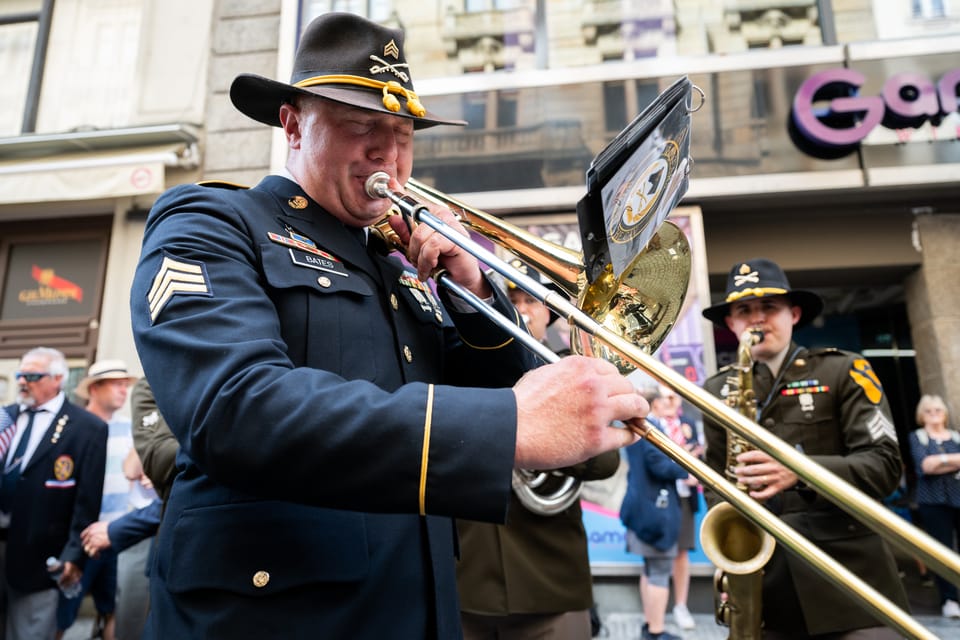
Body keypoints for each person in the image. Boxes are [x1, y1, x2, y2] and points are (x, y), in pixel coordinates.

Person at [128, 12, 644, 639]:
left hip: (420, 608)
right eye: (361, 125)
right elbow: (237, 410)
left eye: (402, 132)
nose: (387, 153)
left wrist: (474, 291)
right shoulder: (213, 221)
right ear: (293, 124)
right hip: (272, 617)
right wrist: (505, 426)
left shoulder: (396, 263)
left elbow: (500, 387)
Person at [700, 257, 909, 639]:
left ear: (794, 314)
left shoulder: (844, 370)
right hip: (765, 588)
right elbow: (714, 481)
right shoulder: (715, 391)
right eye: (743, 310)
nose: (757, 319)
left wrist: (800, 471)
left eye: (769, 307)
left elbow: (885, 466)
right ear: (731, 324)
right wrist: (730, 555)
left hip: (851, 584)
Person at [455, 261, 621, 639]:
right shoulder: (460, 363)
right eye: (510, 299)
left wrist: (547, 431)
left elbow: (606, 462)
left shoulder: (574, 371)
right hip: (467, 577)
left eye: (530, 299)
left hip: (550, 577)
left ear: (549, 310)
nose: (522, 309)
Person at [1, 347, 107, 640]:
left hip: (40, 554)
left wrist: (75, 553)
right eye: (21, 374)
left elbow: (87, 500)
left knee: (30, 632)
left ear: (59, 378)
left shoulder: (87, 427)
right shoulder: (4, 417)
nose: (23, 381)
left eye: (33, 375)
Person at [55, 360, 138, 640]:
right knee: (63, 612)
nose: (123, 391)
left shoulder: (129, 429)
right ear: (95, 388)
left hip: (115, 536)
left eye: (126, 385)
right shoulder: (72, 427)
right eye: (117, 384)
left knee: (112, 609)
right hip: (81, 538)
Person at [620, 386, 688, 640]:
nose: (670, 403)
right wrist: (686, 470)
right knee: (659, 571)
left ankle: (650, 626)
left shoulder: (635, 428)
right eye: (664, 399)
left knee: (649, 571)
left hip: (642, 510)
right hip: (655, 512)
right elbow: (660, 466)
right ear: (652, 404)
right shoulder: (651, 429)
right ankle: (656, 632)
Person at [907, 394, 960, 619]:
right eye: (929, 411)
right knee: (941, 549)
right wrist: (953, 460)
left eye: (938, 410)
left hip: (958, 498)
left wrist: (939, 461)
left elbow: (933, 463)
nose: (934, 414)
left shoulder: (955, 436)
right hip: (933, 501)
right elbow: (925, 466)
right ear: (922, 415)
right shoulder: (918, 437)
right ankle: (949, 599)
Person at [655, 387, 701, 631]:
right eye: (666, 397)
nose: (671, 401)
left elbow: (699, 453)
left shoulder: (688, 422)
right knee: (656, 553)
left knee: (682, 552)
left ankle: (681, 605)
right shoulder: (650, 423)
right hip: (659, 497)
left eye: (674, 396)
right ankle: (655, 612)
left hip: (684, 497)